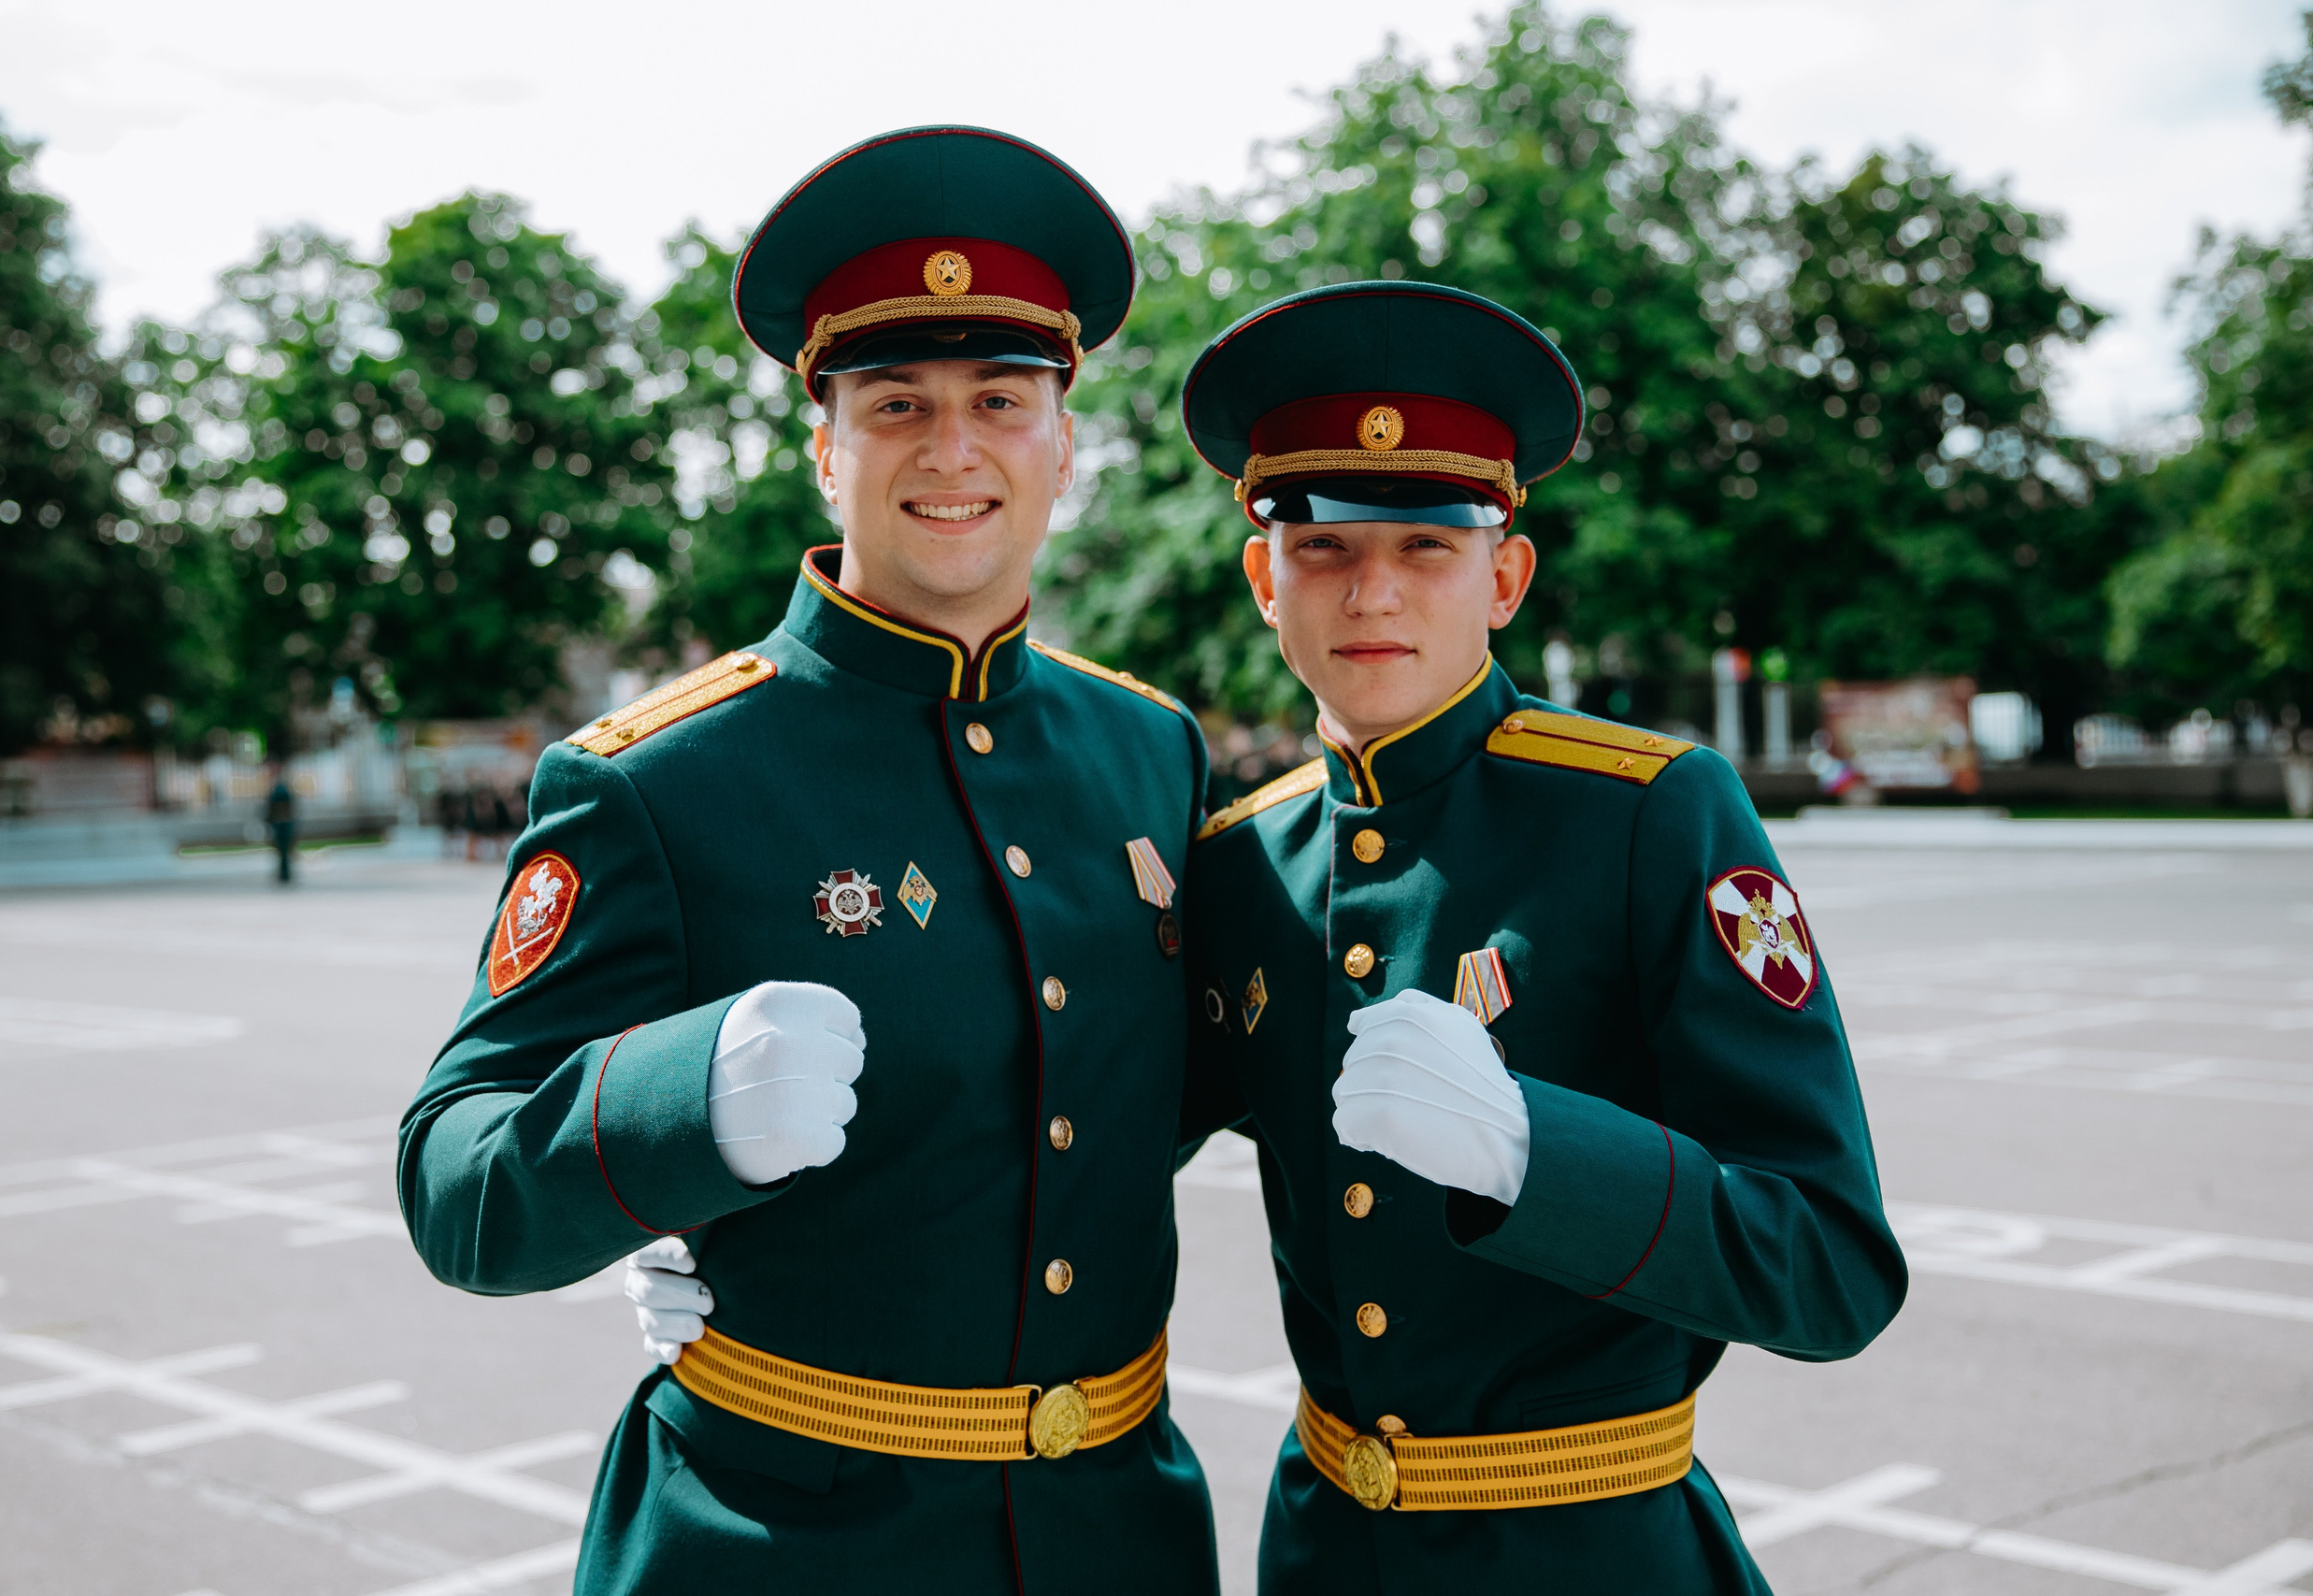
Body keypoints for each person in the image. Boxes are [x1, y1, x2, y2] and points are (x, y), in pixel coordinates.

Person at [397, 126, 1218, 1593]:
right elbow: (455, 1183)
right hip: (784, 1538)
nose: (953, 447)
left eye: (1001, 398)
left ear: (1067, 440)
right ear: (822, 441)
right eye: (896, 400)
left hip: (1113, 1532)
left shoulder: (1145, 750)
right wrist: (661, 1123)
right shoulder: (660, 777)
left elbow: (1154, 1091)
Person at [1176, 281, 1906, 1590]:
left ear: (1504, 574)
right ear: (1263, 578)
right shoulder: (1241, 859)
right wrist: (764, 1258)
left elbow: (1830, 1262)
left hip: (1588, 1550)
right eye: (1325, 548)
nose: (1371, 592)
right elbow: (1085, 1138)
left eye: (1427, 547)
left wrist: (1535, 1152)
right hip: (1325, 1547)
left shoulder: (1650, 810)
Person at [262, 766, 295, 884]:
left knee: (284, 850)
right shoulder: (278, 789)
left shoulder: (280, 790)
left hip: (282, 823)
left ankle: (285, 873)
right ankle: (284, 872)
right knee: (282, 850)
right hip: (281, 823)